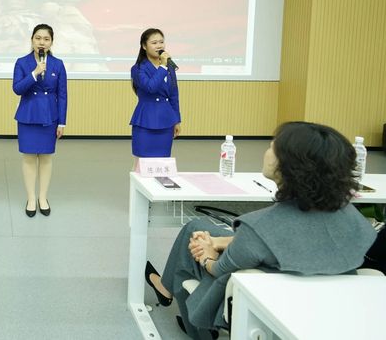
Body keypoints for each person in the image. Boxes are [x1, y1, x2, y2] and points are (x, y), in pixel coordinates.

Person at [145, 122, 377, 339]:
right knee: (197, 227)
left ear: (288, 166)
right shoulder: (355, 221)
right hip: (327, 304)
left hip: (267, 299)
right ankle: (167, 288)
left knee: (193, 242)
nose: (266, 151)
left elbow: (218, 269)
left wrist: (207, 255)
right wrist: (219, 241)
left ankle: (196, 328)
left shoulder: (258, 226)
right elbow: (287, 238)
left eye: (272, 146)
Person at [12, 24, 67, 217]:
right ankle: (30, 198)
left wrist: (62, 122)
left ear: (51, 42)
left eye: (46, 39)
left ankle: (43, 197)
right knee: (28, 158)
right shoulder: (22, 62)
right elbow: (17, 89)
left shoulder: (58, 64)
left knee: (45, 158)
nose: (41, 42)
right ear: (32, 40)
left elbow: (62, 95)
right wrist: (34, 73)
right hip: (28, 114)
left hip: (49, 116)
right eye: (38, 38)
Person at [130, 28, 181, 159]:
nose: (159, 46)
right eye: (154, 43)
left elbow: (174, 95)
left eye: (161, 42)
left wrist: (177, 120)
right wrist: (163, 67)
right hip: (145, 120)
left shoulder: (169, 67)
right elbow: (150, 87)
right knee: (143, 162)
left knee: (162, 162)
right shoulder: (138, 69)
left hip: (166, 120)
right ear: (144, 46)